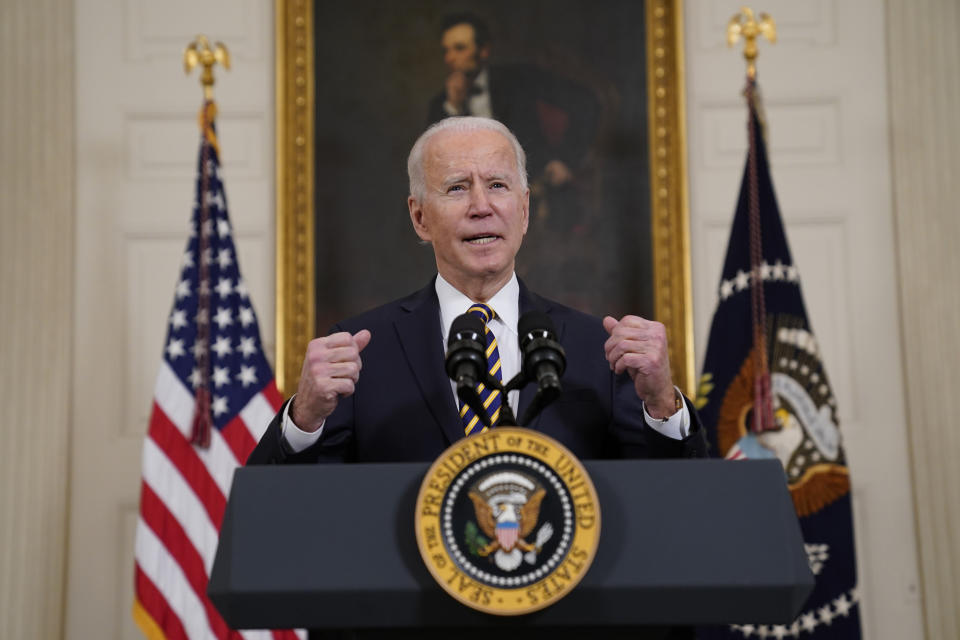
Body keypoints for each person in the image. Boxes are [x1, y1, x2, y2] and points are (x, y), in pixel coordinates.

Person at [248, 117, 706, 466]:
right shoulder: (363, 350)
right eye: (456, 188)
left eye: (498, 186)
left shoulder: (597, 352)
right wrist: (305, 417)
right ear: (420, 217)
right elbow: (284, 510)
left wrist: (663, 403)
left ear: (524, 211)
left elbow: (678, 500)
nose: (481, 207)